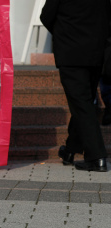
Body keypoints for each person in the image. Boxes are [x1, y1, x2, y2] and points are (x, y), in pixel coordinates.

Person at [40, 0, 109, 172]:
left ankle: (96, 157)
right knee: (83, 103)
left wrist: (64, 31)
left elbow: (46, 16)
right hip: (95, 54)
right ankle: (70, 151)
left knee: (82, 104)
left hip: (71, 53)